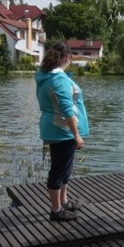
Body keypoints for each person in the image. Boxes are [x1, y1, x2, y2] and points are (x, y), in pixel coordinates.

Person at [35, 41, 89, 222]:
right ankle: (56, 210)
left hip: (55, 127)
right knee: (58, 169)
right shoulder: (59, 79)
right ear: (67, 58)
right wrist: (76, 135)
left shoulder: (45, 76)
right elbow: (67, 110)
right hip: (62, 130)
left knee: (65, 167)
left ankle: (64, 201)